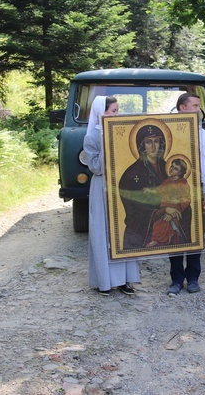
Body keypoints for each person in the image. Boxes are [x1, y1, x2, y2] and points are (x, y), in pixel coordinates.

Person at [84, 95, 140, 296]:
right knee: (103, 232)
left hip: (122, 186)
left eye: (117, 111)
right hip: (102, 188)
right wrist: (110, 144)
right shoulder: (91, 138)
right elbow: (97, 167)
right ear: (101, 113)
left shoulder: (122, 133)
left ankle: (126, 280)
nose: (117, 115)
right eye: (112, 111)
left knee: (124, 229)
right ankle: (104, 282)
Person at [167, 93, 205, 295]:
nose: (198, 109)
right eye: (194, 105)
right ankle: (176, 279)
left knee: (194, 233)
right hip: (173, 195)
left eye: (199, 106)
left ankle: (193, 277)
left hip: (194, 193)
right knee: (175, 235)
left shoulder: (202, 135)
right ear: (182, 108)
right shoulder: (170, 133)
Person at [119, 123, 168, 248]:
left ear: (161, 144)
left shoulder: (169, 168)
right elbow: (133, 207)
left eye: (156, 141)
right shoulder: (132, 174)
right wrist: (161, 211)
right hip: (141, 229)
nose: (153, 147)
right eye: (148, 142)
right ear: (141, 145)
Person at [146, 158, 192, 247]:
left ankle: (158, 240)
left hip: (176, 209)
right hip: (165, 207)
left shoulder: (182, 182)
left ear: (180, 172)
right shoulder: (167, 180)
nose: (172, 169)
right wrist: (150, 191)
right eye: (172, 166)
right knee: (157, 224)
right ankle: (156, 240)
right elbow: (159, 190)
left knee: (165, 224)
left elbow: (186, 199)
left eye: (176, 169)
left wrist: (174, 212)